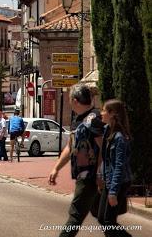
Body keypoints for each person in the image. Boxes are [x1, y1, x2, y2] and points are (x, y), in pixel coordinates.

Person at [48, 84, 104, 237]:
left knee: (75, 214)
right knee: (103, 217)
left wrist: (100, 173)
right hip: (85, 175)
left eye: (69, 100)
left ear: (74, 100)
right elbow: (69, 147)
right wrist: (56, 168)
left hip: (90, 176)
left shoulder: (94, 118)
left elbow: (103, 147)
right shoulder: (78, 120)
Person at [97, 99, 132, 236]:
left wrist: (113, 192)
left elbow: (119, 166)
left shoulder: (119, 138)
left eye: (104, 110)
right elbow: (106, 160)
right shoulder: (107, 131)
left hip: (119, 182)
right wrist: (101, 177)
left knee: (108, 221)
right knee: (102, 218)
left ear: (112, 114)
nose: (101, 113)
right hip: (109, 180)